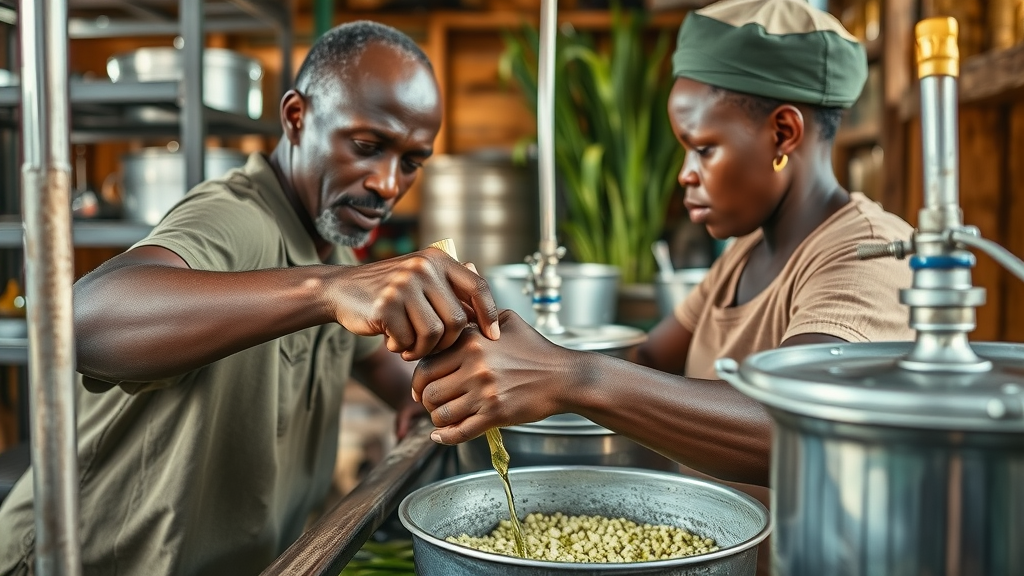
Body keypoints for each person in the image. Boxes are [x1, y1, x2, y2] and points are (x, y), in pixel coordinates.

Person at [0, 21, 500, 576]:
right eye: (367, 146)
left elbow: (388, 371)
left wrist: (426, 392)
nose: (387, 183)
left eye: (410, 161)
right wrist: (327, 290)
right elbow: (82, 324)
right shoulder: (235, 218)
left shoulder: (330, 243)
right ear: (296, 118)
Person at [411, 0, 914, 488]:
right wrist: (502, 355)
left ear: (783, 133)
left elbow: (800, 429)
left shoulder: (872, 255)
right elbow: (649, 361)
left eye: (704, 149)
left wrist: (569, 376)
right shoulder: (745, 254)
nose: (685, 175)